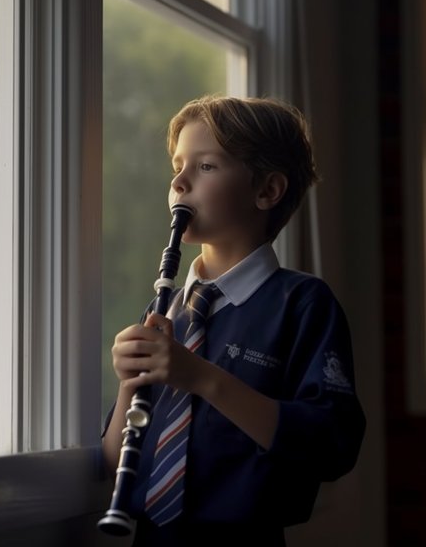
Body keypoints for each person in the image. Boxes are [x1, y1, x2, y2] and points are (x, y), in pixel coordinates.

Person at [102, 95, 365, 546]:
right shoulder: (164, 312)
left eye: (206, 167)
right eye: (177, 167)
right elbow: (113, 461)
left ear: (267, 191)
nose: (179, 182)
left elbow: (332, 446)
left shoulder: (303, 303)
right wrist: (129, 385)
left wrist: (202, 377)